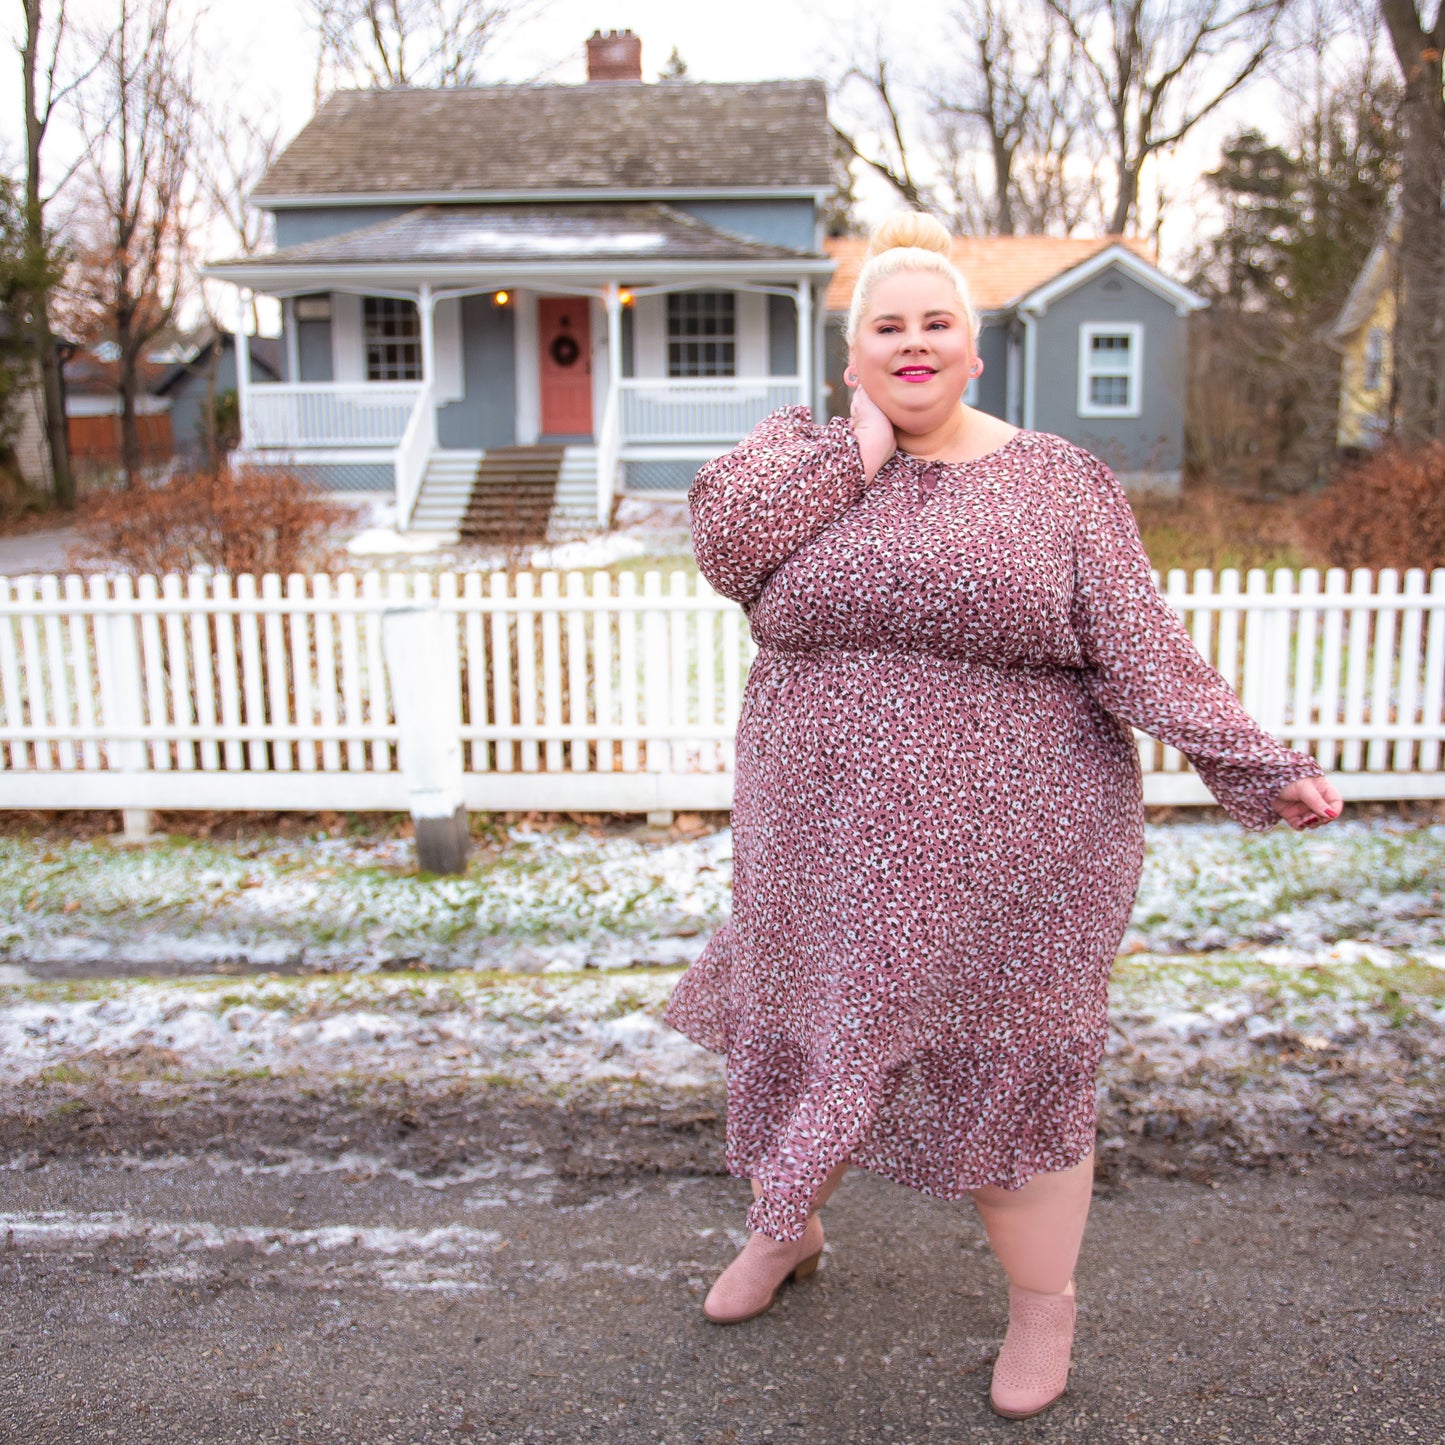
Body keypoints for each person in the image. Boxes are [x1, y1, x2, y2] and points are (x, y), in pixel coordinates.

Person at [660, 212, 1343, 1421]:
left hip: (1016, 850)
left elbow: (1141, 649)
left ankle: (1041, 1302)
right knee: (803, 1025)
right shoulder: (791, 462)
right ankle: (788, 1223)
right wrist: (854, 453)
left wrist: (1251, 760)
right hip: (816, 843)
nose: (913, 341)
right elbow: (721, 549)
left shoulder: (1056, 482)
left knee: (1011, 1061)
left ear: (977, 351)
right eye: (887, 325)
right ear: (851, 352)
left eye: (938, 324)